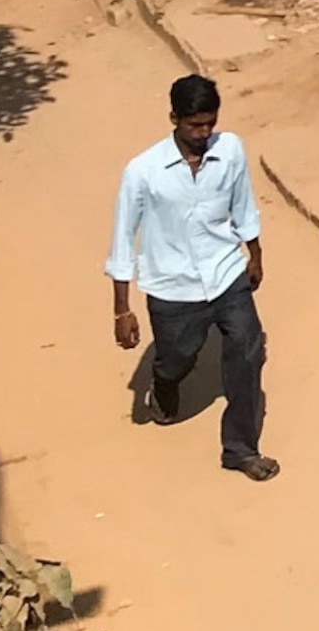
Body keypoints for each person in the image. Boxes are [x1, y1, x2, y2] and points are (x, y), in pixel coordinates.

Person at [106, 75, 278, 481]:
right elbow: (121, 238)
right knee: (176, 358)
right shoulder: (143, 172)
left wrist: (254, 254)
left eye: (209, 124)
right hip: (173, 288)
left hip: (226, 273)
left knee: (247, 353)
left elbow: (243, 204)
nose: (203, 134)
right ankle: (163, 386)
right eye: (194, 126)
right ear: (174, 119)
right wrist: (121, 310)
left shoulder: (230, 150)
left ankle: (239, 450)